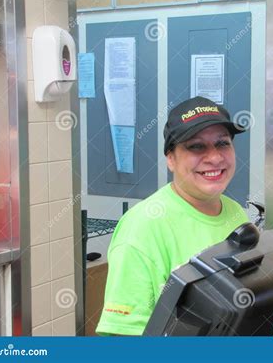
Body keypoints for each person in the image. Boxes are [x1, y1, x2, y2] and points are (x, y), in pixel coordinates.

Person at [96, 96, 249, 336]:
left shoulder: (236, 213)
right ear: (171, 159)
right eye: (196, 146)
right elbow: (122, 338)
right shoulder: (143, 227)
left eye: (222, 143)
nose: (215, 157)